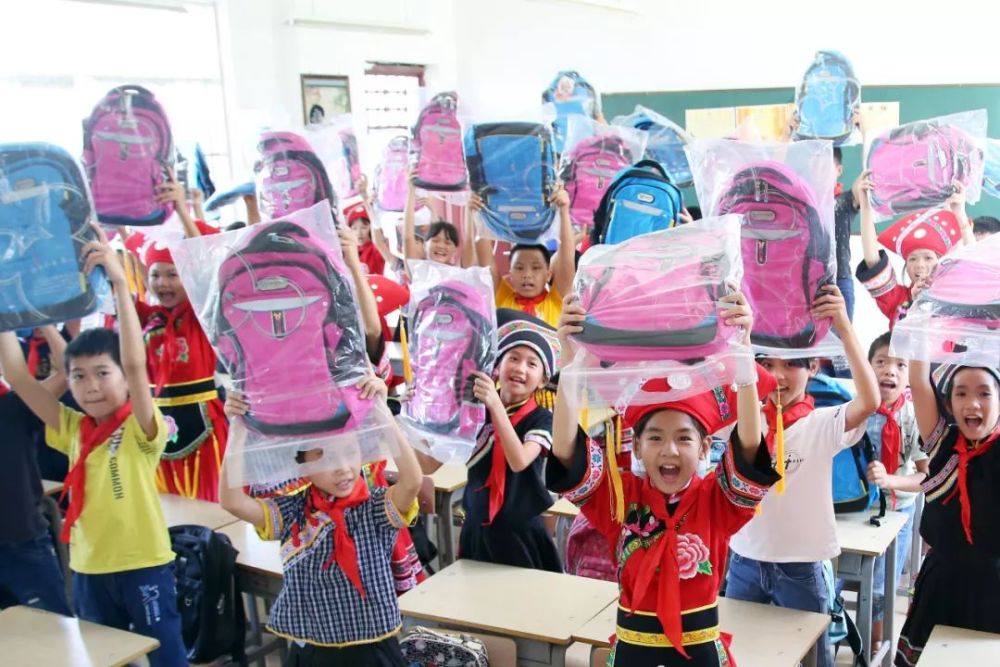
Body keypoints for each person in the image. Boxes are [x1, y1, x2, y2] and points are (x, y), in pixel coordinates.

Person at [548, 290, 781, 665]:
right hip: (632, 651)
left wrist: (743, 355)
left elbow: (750, 446)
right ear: (637, 448)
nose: (669, 450)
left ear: (704, 448)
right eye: (655, 438)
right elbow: (565, 451)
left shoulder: (715, 501)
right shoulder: (621, 498)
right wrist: (571, 363)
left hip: (700, 654)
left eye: (684, 438)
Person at [0, 229, 186, 666]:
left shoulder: (141, 428)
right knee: (106, 658)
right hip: (87, 568)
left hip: (143, 564)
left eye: (103, 373)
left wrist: (120, 282)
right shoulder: (71, 427)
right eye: (79, 377)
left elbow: (136, 363)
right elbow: (18, 375)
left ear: (123, 378)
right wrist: (6, 293)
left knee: (167, 658)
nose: (91, 386)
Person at [724, 285, 880, 667]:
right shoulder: (747, 418)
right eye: (767, 363)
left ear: (813, 367)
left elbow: (869, 402)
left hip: (802, 568)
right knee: (740, 657)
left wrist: (843, 327)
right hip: (744, 561)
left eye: (791, 364)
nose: (777, 375)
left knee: (813, 660)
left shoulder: (821, 423)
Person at [220, 376, 423, 667]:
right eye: (325, 458)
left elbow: (412, 481)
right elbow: (232, 501)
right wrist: (238, 427)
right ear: (302, 464)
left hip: (372, 651)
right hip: (314, 652)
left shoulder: (374, 508)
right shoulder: (292, 513)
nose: (342, 468)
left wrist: (380, 410)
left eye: (350, 452)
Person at [420, 309, 561, 571]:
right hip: (476, 528)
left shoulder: (542, 418)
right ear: (497, 366)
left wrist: (494, 405)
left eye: (532, 364)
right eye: (513, 358)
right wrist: (414, 416)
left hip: (521, 534)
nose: (520, 368)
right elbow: (427, 465)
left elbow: (519, 461)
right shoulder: (474, 411)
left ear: (543, 380)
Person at [895, 361, 1000, 665]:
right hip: (943, 583)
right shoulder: (943, 443)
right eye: (961, 393)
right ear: (949, 404)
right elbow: (918, 381)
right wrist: (920, 331)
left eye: (984, 393)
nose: (973, 403)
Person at [137, 180, 229, 501]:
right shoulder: (146, 316)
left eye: (172, 274)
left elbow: (204, 265)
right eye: (155, 275)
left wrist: (182, 211)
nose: (162, 283)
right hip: (157, 425)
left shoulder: (200, 313)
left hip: (205, 424)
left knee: (212, 506)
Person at [0, 325, 72, 615]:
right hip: (24, 543)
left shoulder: (14, 406)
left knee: (56, 632)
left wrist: (43, 322)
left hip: (24, 545)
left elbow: (69, 372)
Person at [864, 332, 929, 649]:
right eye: (881, 362)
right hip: (856, 510)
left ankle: (874, 644)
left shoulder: (914, 417)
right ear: (867, 367)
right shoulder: (855, 410)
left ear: (910, 375)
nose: (889, 370)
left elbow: (927, 477)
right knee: (833, 578)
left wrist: (890, 480)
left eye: (900, 365)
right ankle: (838, 633)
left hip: (896, 512)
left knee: (880, 585)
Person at [856, 174, 973, 328]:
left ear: (941, 262)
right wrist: (865, 205)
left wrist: (959, 212)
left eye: (928, 258)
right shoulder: (898, 299)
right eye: (912, 259)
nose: (920, 265)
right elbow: (872, 260)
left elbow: (974, 267)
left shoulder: (955, 294)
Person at [472, 187, 575, 329]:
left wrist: (563, 210)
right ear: (510, 274)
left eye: (536, 268)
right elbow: (484, 256)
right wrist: (478, 212)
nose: (527, 275)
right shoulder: (501, 296)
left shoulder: (557, 300)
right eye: (519, 268)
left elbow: (567, 259)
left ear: (548, 275)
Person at [833, 148, 861, 319]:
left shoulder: (844, 200)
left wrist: (865, 135)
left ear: (839, 170)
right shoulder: (804, 201)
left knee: (843, 334)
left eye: (825, 166)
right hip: (807, 281)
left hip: (840, 279)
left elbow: (864, 181)